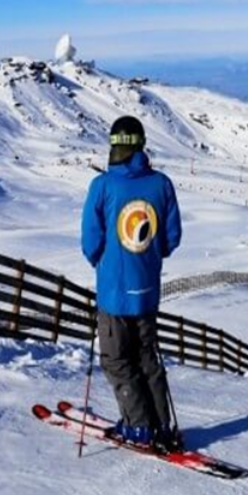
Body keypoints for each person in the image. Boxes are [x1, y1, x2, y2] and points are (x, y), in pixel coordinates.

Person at [81, 115, 183, 451]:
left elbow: (90, 242)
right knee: (147, 357)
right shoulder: (162, 184)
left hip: (113, 294)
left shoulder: (103, 186)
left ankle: (139, 427)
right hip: (148, 292)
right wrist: (150, 257)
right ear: (141, 145)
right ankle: (161, 425)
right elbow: (171, 238)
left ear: (113, 146)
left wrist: (105, 263)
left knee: (117, 361)